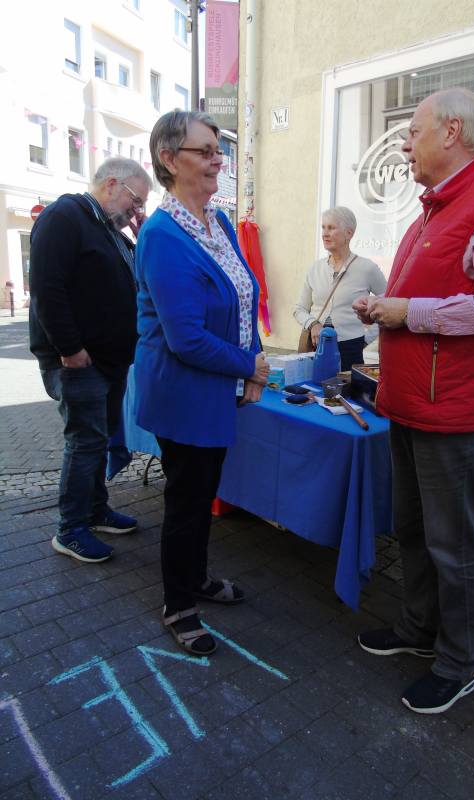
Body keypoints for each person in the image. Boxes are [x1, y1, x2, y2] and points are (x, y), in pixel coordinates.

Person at [353, 88, 474, 714]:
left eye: (413, 131)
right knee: (412, 529)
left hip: (453, 412)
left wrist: (408, 311)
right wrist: (383, 307)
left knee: (453, 545)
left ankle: (459, 663)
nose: (405, 144)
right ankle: (417, 628)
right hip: (411, 403)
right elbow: (422, 296)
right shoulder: (431, 211)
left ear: (452, 131)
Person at [135, 110, 269, 657]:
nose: (218, 161)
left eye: (220, 151)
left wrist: (253, 360)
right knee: (187, 501)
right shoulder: (163, 235)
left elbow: (243, 297)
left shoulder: (216, 223)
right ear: (169, 160)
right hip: (183, 391)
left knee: (202, 492)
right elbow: (186, 338)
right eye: (206, 151)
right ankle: (178, 603)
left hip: (215, 386)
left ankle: (197, 578)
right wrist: (249, 367)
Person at [29, 157, 151, 564]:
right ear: (113, 184)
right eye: (136, 201)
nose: (136, 210)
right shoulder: (65, 216)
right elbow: (47, 288)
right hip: (79, 361)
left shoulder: (110, 229)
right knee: (85, 442)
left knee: (98, 439)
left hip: (109, 360)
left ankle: (96, 510)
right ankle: (70, 529)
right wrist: (69, 348)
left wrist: (143, 236)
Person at [293, 206, 387, 370]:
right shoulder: (316, 269)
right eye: (323, 227)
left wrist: (365, 339)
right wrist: (313, 324)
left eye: (331, 228)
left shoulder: (367, 268)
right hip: (315, 347)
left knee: (346, 387)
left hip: (350, 349)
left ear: (348, 233)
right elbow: (299, 309)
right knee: (313, 386)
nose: (325, 233)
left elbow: (387, 306)